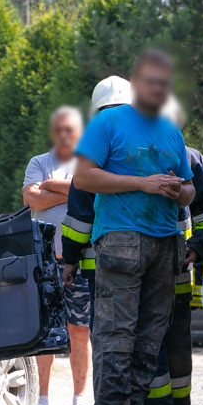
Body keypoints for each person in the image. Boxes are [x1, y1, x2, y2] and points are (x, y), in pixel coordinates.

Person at [72, 48, 195, 405]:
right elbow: (85, 178)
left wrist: (180, 191)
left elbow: (191, 190)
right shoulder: (107, 121)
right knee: (115, 336)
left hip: (165, 243)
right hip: (121, 239)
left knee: (149, 337)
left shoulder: (170, 131)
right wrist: (141, 183)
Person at [144, 96, 203, 405]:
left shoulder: (188, 158)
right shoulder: (174, 156)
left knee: (169, 338)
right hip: (166, 265)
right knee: (170, 338)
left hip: (176, 265)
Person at [23, 106, 93, 405]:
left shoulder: (89, 162)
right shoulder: (38, 162)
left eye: (71, 129)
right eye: (60, 129)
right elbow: (31, 199)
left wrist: (51, 185)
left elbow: (90, 195)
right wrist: (71, 192)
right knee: (45, 332)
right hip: (45, 261)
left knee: (79, 330)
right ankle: (42, 400)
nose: (65, 134)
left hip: (78, 261)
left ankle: (80, 397)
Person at [62, 76, 134, 318]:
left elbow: (80, 217)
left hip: (102, 265)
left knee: (109, 331)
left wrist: (70, 259)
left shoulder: (94, 147)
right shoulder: (152, 143)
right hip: (150, 262)